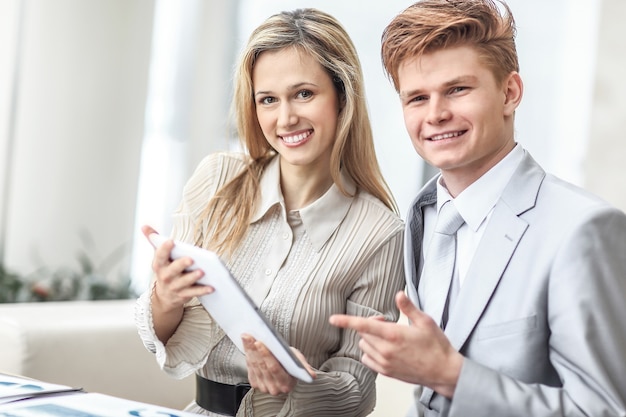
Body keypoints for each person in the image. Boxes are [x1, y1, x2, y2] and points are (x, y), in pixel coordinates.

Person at [330, 1, 626, 416]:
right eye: (416, 98)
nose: (436, 114)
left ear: (510, 93)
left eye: (457, 89)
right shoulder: (421, 215)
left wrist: (451, 375)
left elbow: (605, 410)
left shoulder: (584, 230)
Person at [134, 8, 405, 417]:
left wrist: (294, 379)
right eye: (268, 100)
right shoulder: (217, 179)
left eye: (304, 94)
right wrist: (165, 296)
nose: (285, 118)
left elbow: (356, 390)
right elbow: (157, 333)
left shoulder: (379, 232)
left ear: (342, 97)